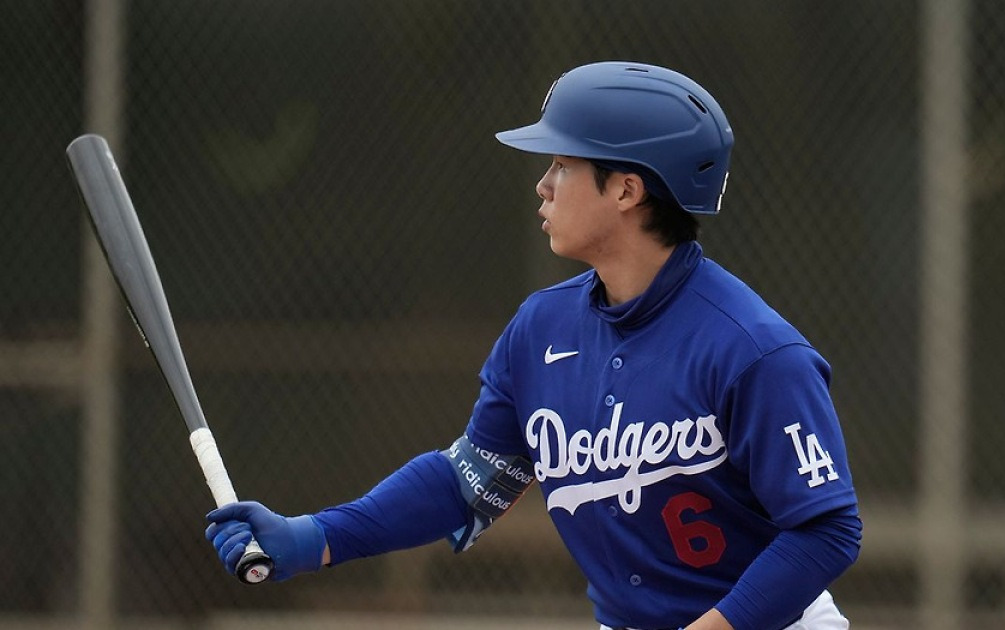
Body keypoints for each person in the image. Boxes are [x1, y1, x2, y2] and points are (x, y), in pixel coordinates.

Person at [206, 61, 862, 630]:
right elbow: (468, 484)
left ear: (628, 190)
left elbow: (826, 529)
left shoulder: (753, 350)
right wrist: (314, 536)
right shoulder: (541, 329)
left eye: (562, 164)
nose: (542, 187)